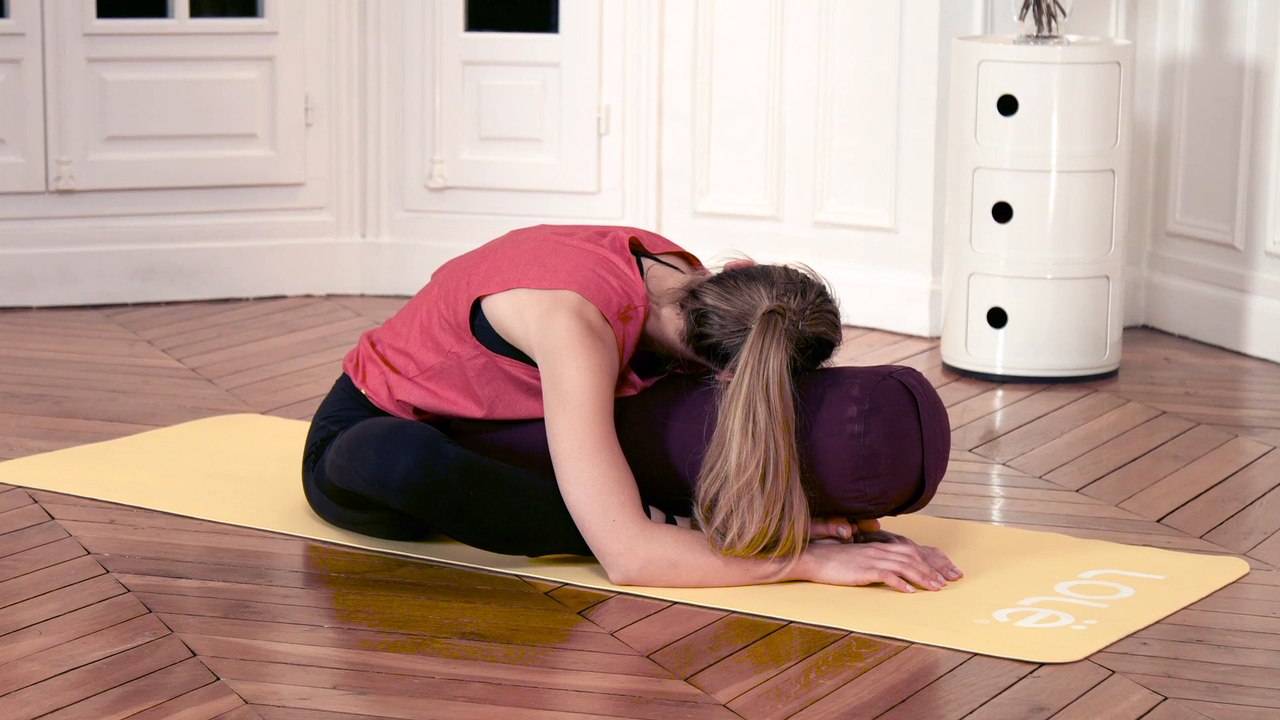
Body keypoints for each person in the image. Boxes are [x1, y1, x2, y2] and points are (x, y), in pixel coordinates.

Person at [302, 224, 962, 592]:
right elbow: (629, 561)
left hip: (504, 424)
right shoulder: (575, 326)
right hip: (379, 426)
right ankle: (677, 524)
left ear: (737, 267)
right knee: (393, 458)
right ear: (722, 369)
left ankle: (666, 520)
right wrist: (802, 560)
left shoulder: (680, 268)